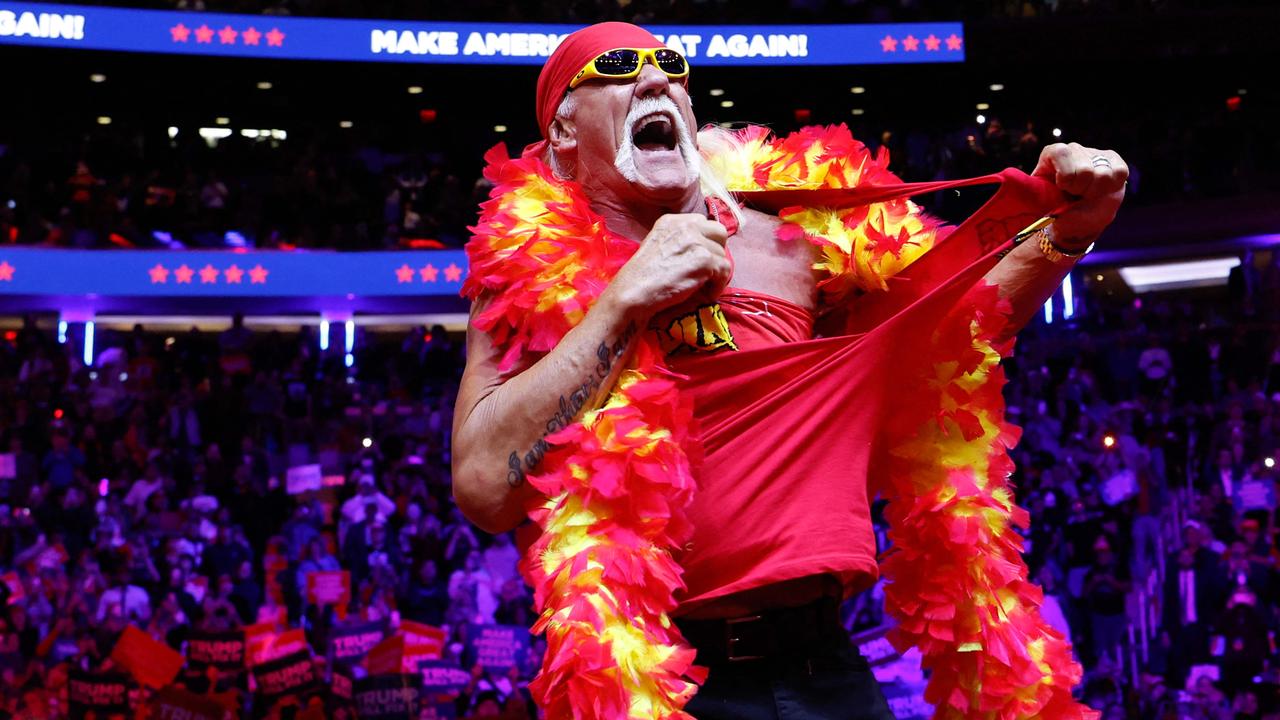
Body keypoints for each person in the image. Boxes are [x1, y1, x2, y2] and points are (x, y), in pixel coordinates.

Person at [452, 21, 1128, 720]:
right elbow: (483, 488)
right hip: (663, 681)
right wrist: (623, 302)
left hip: (826, 667)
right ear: (563, 134)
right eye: (619, 68)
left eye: (670, 67)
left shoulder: (790, 238)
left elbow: (951, 332)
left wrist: (1072, 229)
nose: (656, 80)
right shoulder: (531, 278)